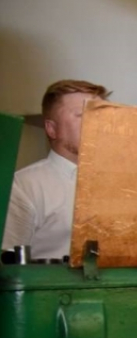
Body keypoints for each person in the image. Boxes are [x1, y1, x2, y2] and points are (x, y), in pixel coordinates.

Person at [2, 79, 110, 259]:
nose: (96, 123)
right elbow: (9, 269)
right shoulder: (23, 187)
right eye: (81, 114)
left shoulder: (125, 184)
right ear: (52, 129)